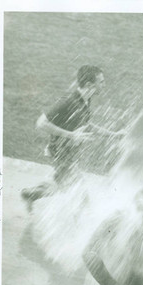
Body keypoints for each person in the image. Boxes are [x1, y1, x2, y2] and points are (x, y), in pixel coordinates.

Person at [21, 65, 124, 206]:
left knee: (60, 186)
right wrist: (71, 135)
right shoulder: (69, 101)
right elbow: (41, 123)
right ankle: (80, 222)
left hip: (68, 154)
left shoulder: (85, 100)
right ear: (89, 84)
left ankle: (30, 194)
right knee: (80, 196)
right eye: (101, 82)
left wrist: (114, 134)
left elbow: (86, 124)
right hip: (61, 155)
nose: (104, 85)